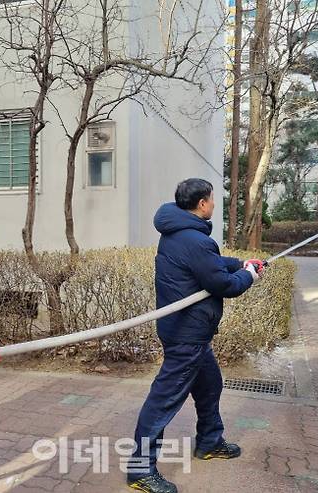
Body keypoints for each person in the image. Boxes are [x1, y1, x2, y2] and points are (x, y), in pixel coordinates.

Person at [126, 178, 264, 493]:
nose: (214, 204)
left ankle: (210, 441)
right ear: (202, 203)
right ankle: (139, 470)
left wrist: (241, 264)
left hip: (190, 332)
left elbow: (211, 267)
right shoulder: (196, 240)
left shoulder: (177, 232)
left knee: (210, 384)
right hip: (187, 334)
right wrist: (249, 275)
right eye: (212, 199)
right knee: (162, 403)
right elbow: (224, 285)